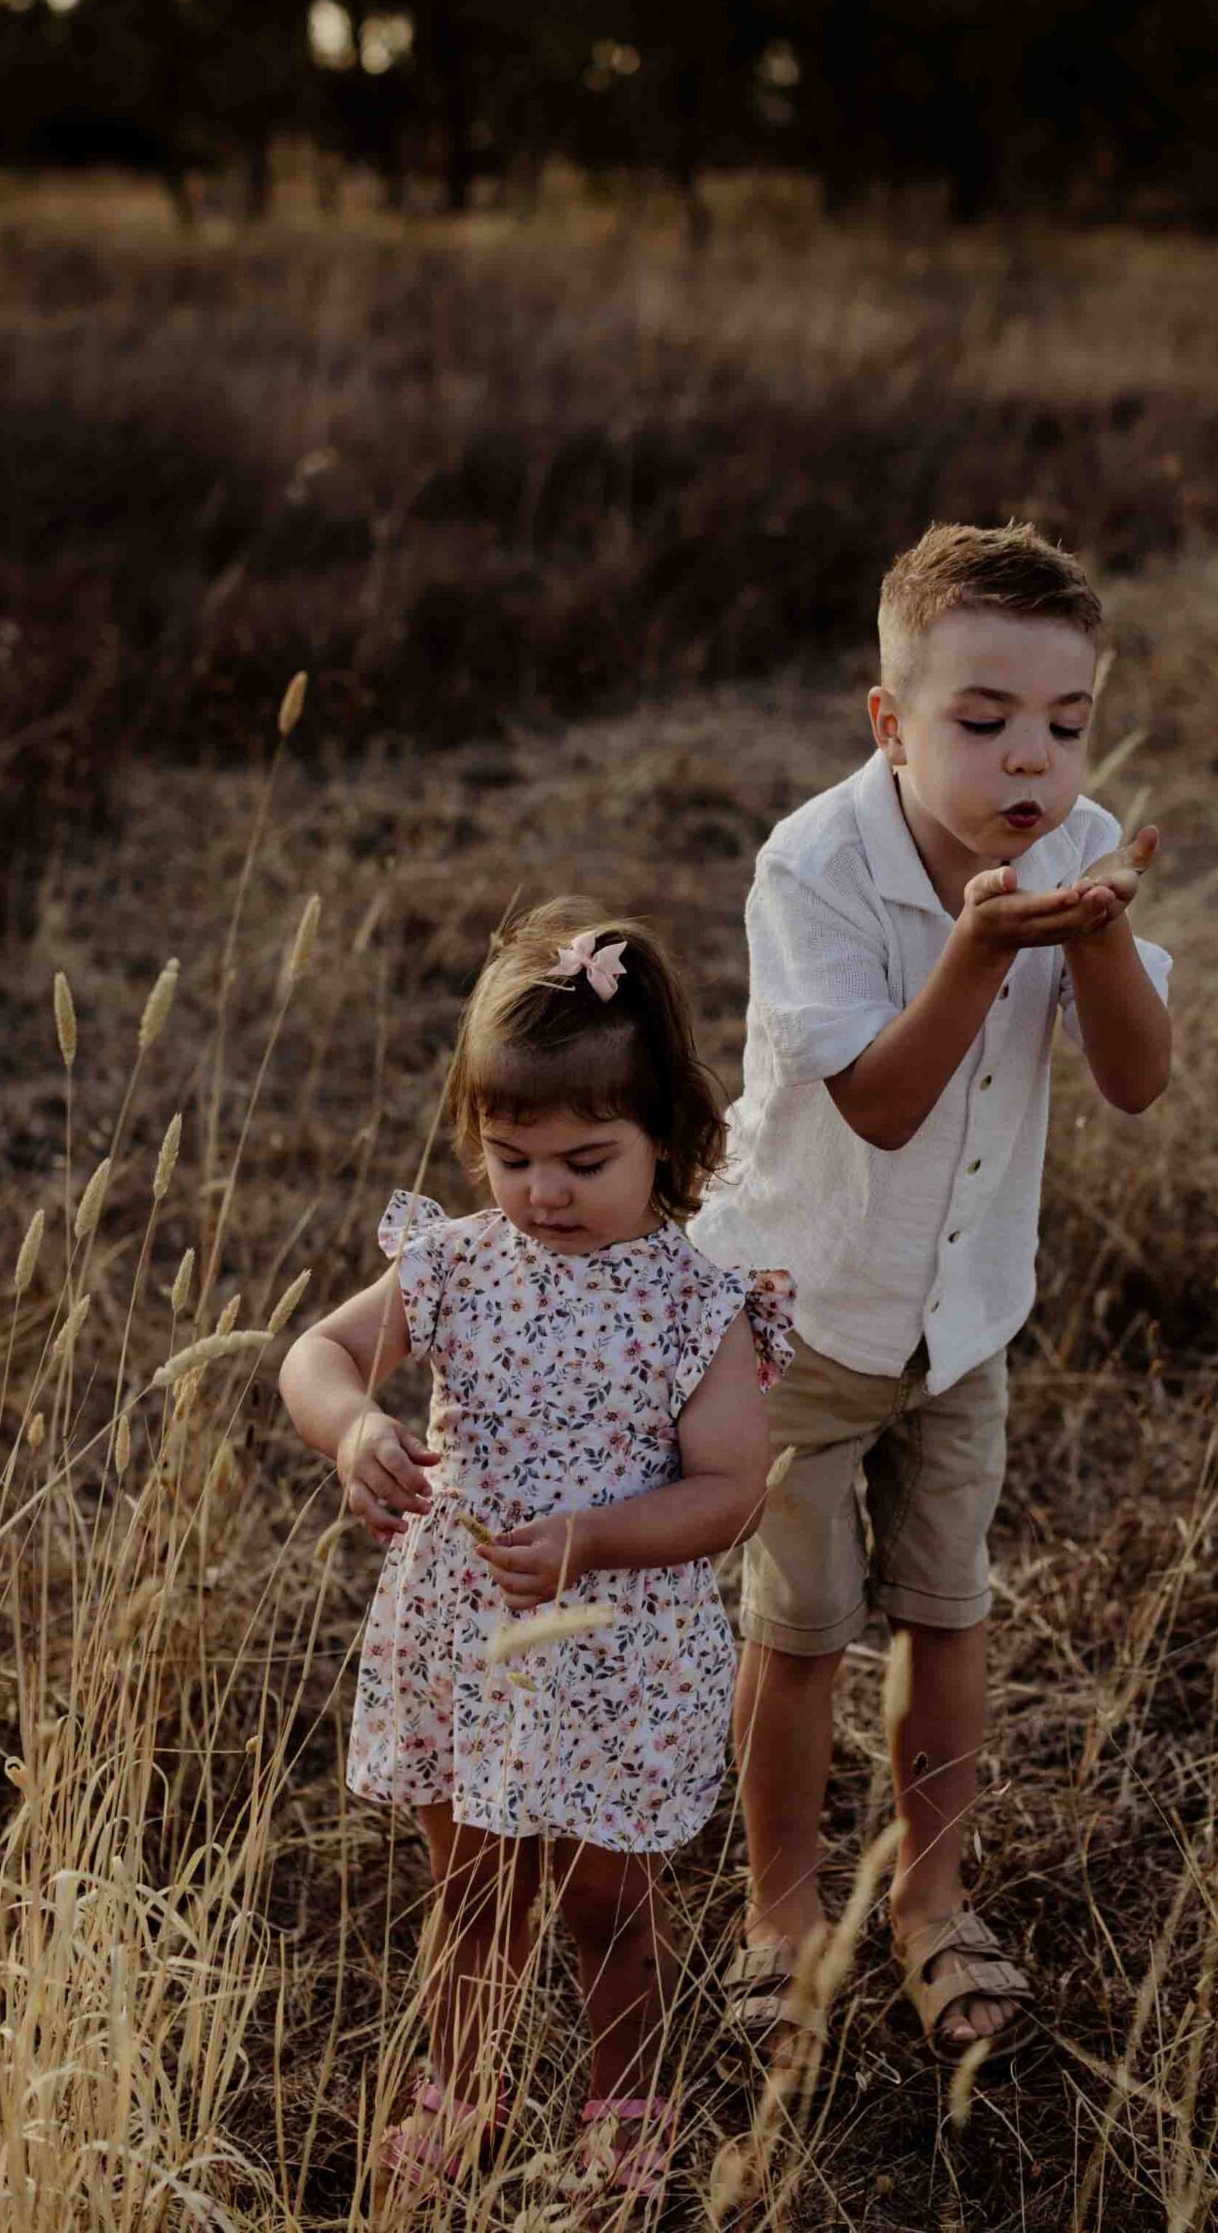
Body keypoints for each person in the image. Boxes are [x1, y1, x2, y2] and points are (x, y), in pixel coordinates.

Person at [689, 519, 1171, 2066]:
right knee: (804, 1626)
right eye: (981, 722)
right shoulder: (814, 865)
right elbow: (883, 1105)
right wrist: (978, 949)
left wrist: (1091, 936)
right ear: (889, 723)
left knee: (943, 1610)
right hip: (804, 1314)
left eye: (1065, 721)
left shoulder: (1075, 845)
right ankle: (779, 1914)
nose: (1030, 757)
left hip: (959, 1321)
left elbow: (1137, 1078)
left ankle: (931, 1901)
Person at [279, 899, 792, 2203]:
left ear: (664, 1140)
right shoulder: (457, 1264)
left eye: (582, 1158)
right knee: (473, 1899)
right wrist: (351, 1435)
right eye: (511, 1157)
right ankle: (459, 2090)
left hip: (611, 1657)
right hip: (468, 1639)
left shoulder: (690, 1307)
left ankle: (625, 2107)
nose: (542, 1192)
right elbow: (317, 1354)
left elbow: (731, 1489)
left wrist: (595, 1537)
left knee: (606, 1912)